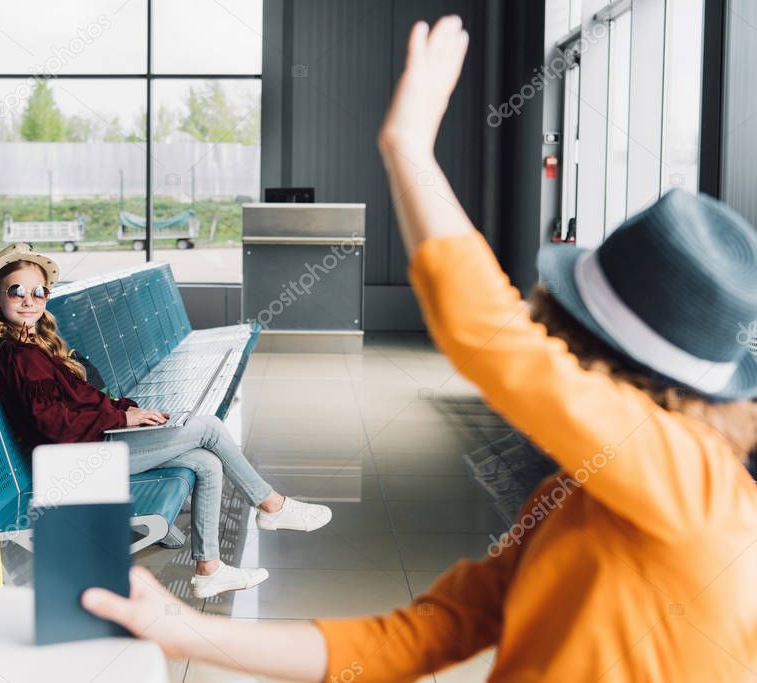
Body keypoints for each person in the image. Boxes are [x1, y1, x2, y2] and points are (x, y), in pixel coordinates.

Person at [80, 16, 757, 681]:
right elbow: (416, 636)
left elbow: (490, 339)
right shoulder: (575, 497)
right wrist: (185, 631)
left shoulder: (698, 489)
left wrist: (406, 147)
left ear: (586, 345)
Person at [0, 244, 333, 599]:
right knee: (207, 428)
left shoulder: (35, 347)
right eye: (17, 292)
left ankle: (209, 569)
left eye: (38, 292)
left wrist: (124, 411)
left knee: (206, 461)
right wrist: (121, 416)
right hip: (76, 459)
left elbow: (78, 401)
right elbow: (54, 424)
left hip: (89, 444)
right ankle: (272, 506)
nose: (29, 300)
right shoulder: (20, 356)